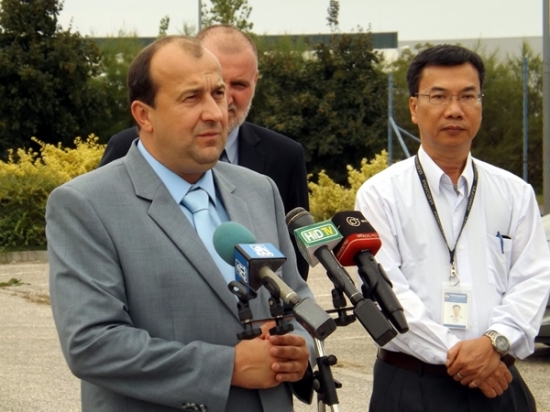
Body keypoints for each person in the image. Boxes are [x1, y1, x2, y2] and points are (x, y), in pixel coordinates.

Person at [46, 35, 314, 412]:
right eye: (191, 98)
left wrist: (299, 349)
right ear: (144, 115)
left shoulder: (260, 190)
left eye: (218, 94)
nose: (215, 113)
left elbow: (297, 297)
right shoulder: (85, 204)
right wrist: (226, 368)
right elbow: (92, 343)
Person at [355, 44, 550, 412]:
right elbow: (387, 292)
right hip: (412, 385)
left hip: (499, 383)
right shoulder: (380, 195)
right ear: (414, 107)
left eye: (467, 96)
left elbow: (533, 280)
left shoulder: (514, 193)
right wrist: (463, 358)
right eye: (439, 96)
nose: (454, 109)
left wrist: (494, 343)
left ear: (480, 104)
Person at [99, 25, 310, 280]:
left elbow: (294, 276)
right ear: (144, 115)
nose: (220, 107)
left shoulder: (273, 175)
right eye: (192, 96)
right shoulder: (120, 158)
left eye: (225, 89)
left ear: (255, 80)